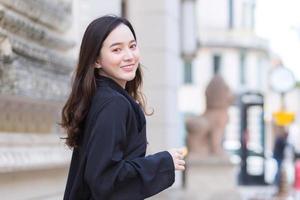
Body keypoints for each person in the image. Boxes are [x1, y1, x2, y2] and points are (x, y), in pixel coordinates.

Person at [61, 15, 185, 200]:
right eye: (116, 49)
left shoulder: (100, 97)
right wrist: (163, 161)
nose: (129, 56)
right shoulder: (113, 104)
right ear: (96, 60)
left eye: (132, 46)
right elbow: (105, 179)